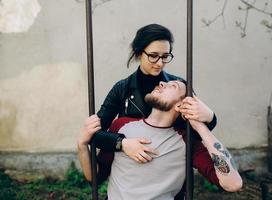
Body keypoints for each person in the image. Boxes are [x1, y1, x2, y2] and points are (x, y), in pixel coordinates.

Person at [78, 24, 218, 198]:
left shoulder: (178, 87)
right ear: (138, 53)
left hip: (167, 180)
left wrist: (211, 118)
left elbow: (195, 131)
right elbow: (94, 133)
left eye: (165, 56)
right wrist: (122, 143)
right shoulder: (122, 89)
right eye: (153, 56)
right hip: (129, 178)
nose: (160, 63)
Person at [77, 80, 243, 199]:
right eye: (164, 83)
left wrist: (200, 125)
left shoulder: (186, 141)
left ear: (181, 105)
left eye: (172, 86)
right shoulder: (121, 125)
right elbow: (96, 176)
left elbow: (233, 184)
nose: (161, 83)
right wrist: (82, 145)